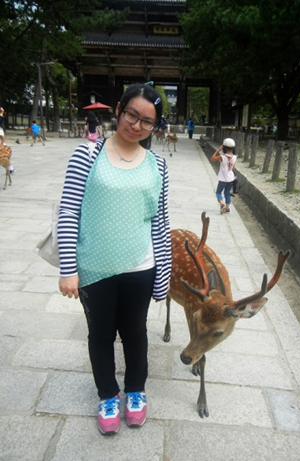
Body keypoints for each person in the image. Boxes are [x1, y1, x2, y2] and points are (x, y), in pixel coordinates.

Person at [57, 83, 171, 435]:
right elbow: (68, 212)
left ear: (155, 127)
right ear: (119, 110)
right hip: (93, 266)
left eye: (147, 122)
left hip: (140, 266)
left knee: (135, 333)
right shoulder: (86, 155)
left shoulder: (158, 166)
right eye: (132, 115)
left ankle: (136, 391)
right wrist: (68, 269)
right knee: (101, 334)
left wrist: (163, 275)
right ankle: (108, 394)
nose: (136, 125)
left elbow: (161, 221)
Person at [211, 138, 237, 214]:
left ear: (224, 147)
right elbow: (233, 168)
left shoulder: (222, 157)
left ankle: (222, 204)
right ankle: (228, 208)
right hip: (230, 179)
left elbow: (212, 158)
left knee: (218, 192)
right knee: (227, 193)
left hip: (222, 179)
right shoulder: (234, 157)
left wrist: (218, 150)